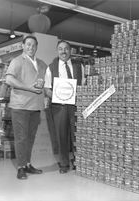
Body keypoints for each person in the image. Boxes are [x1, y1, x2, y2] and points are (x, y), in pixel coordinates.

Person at [5, 35, 47, 180]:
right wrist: (28, 88)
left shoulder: (41, 64)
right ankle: (20, 167)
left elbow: (45, 85)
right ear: (23, 46)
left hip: (35, 106)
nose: (31, 47)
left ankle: (27, 164)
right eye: (28, 44)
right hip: (20, 106)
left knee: (30, 138)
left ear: (36, 47)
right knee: (21, 138)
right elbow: (9, 79)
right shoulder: (17, 61)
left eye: (34, 45)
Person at [44, 40, 85, 174]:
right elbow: (46, 88)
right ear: (57, 51)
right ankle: (63, 163)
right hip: (58, 107)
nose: (63, 51)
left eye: (66, 48)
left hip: (75, 106)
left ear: (70, 50)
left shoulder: (79, 66)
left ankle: (78, 161)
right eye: (60, 49)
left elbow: (83, 86)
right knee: (61, 135)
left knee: (76, 134)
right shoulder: (51, 67)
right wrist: (55, 96)